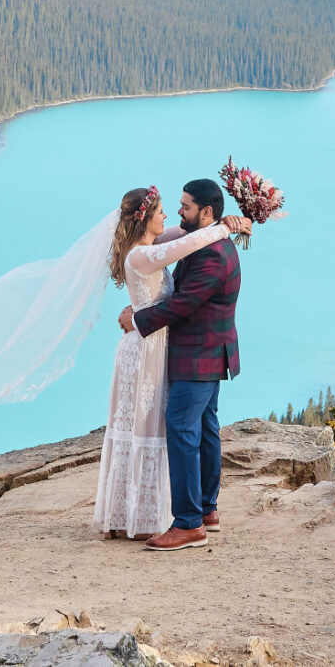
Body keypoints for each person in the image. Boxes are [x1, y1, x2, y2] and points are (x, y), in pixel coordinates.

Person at [92, 185, 245, 539]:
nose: (174, 214)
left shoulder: (207, 251)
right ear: (144, 218)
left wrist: (139, 318)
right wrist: (225, 226)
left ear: (205, 212)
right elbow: (181, 243)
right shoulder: (154, 251)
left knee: (182, 428)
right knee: (171, 429)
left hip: (194, 353)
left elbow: (182, 302)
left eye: (184, 207)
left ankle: (192, 520)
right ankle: (192, 513)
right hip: (157, 351)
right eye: (167, 209)